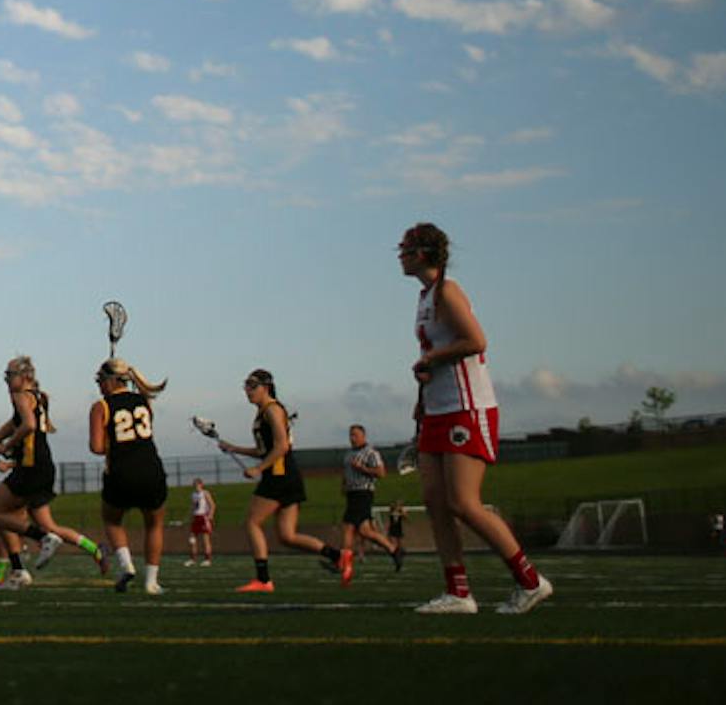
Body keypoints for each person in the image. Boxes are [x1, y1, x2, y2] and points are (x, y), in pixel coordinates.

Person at [399, 222, 550, 615]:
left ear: (423, 253)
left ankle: (530, 581)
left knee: (465, 503)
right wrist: (422, 395)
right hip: (438, 408)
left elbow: (476, 341)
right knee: (435, 501)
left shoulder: (447, 290)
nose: (400, 255)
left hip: (467, 407)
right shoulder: (425, 296)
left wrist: (430, 359)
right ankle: (459, 592)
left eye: (406, 249)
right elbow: (441, 351)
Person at [0, 356, 105, 589]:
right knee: (45, 524)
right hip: (42, 469)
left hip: (30, 470)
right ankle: (94, 549)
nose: (6, 380)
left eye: (9, 375)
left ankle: (26, 558)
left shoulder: (22, 397)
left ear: (25, 376)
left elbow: (27, 427)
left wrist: (8, 447)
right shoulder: (35, 400)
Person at [217, 369, 348, 592]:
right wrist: (234, 448)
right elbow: (264, 449)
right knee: (287, 536)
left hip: (279, 476)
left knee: (252, 522)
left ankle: (263, 579)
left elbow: (281, 446)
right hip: (286, 475)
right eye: (246, 386)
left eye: (252, 386)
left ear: (265, 387)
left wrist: (258, 469)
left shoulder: (272, 410)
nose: (247, 391)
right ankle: (338, 556)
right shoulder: (263, 412)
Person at [89, 358, 169, 595]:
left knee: (112, 521)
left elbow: (96, 447)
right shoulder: (144, 400)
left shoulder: (100, 406)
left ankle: (127, 566)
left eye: (100, 381)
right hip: (151, 469)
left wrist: (111, 443)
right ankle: (151, 582)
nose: (99, 386)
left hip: (121, 473)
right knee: (154, 525)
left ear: (111, 381)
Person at [340, 425, 403, 572]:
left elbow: (381, 473)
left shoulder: (370, 453)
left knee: (348, 528)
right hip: (352, 494)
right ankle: (393, 550)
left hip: (363, 493)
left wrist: (362, 468)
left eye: (355, 435)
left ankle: (343, 563)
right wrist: (344, 485)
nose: (352, 438)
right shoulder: (348, 454)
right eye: (350, 435)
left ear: (363, 436)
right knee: (364, 531)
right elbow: (346, 472)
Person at [184, 477, 216, 566]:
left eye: (197, 484)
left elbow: (212, 505)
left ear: (201, 485)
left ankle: (207, 560)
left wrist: (210, 516)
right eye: (194, 484)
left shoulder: (205, 493)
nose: (196, 486)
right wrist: (189, 517)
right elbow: (193, 506)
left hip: (203, 517)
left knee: (205, 539)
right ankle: (193, 559)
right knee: (192, 539)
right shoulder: (193, 494)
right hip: (196, 517)